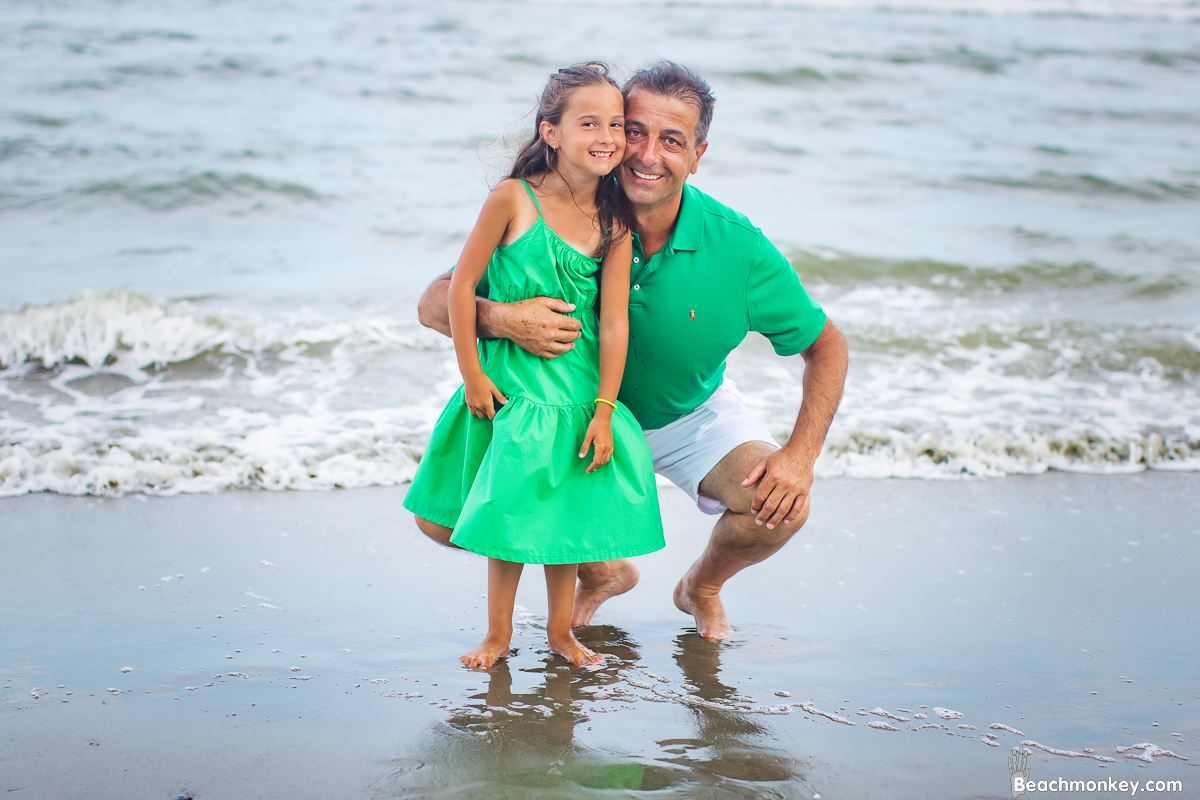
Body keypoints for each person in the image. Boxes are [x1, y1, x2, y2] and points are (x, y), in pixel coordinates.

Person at [415, 62, 848, 641]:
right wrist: (503, 319)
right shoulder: (563, 204)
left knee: (781, 508)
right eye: (635, 131)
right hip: (569, 408)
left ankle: (703, 586)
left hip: (687, 415)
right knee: (444, 523)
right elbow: (435, 302)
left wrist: (800, 456)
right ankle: (603, 570)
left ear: (698, 154)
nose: (645, 154)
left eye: (672, 141)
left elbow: (827, 345)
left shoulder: (737, 247)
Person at [402, 63, 664, 669]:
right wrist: (471, 371)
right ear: (550, 130)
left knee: (563, 521)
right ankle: (497, 635)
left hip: (574, 395)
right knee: (508, 517)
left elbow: (616, 322)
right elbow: (462, 286)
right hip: (512, 391)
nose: (607, 137)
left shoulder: (616, 219)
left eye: (617, 125)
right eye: (589, 123)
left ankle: (559, 632)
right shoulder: (511, 199)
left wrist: (604, 408)